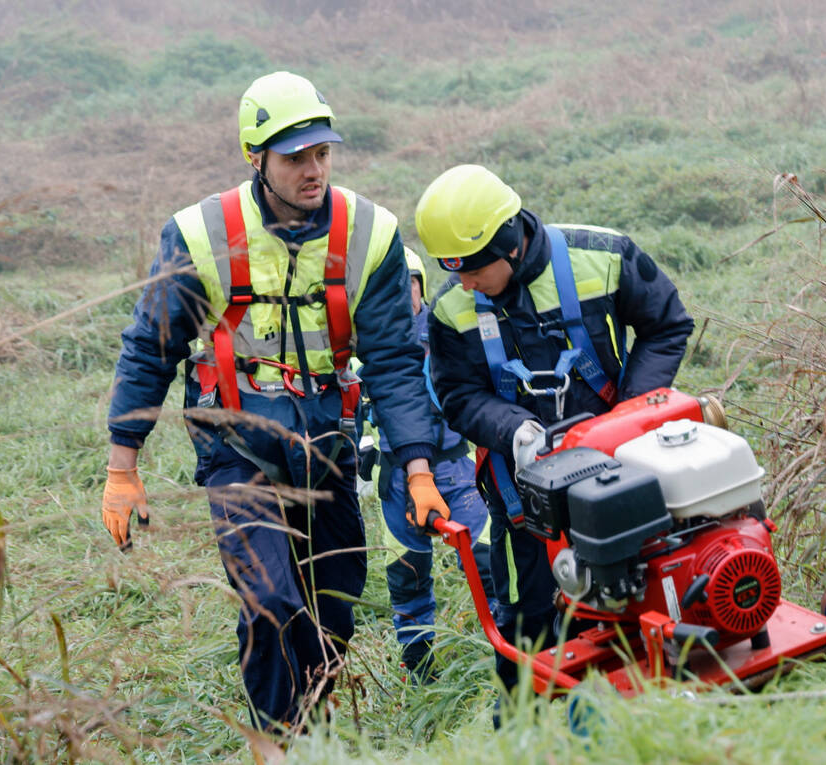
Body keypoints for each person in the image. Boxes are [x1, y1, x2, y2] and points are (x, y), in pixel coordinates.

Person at [99, 71, 449, 732]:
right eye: (295, 158)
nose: (313, 170)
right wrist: (123, 468)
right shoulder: (201, 234)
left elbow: (395, 364)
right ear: (255, 158)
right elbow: (151, 347)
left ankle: (313, 727)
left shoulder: (369, 234)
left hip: (327, 446)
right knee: (270, 600)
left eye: (323, 153)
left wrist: (419, 467)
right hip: (236, 448)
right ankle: (273, 740)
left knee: (335, 601)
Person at [415, 164, 694, 699]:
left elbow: (668, 324)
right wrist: (514, 429)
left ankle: (647, 709)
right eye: (453, 270)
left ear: (510, 242)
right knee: (529, 626)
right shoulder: (453, 310)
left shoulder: (605, 256)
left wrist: (632, 415)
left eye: (473, 269)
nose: (464, 283)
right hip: (525, 501)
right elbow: (456, 395)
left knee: (637, 591)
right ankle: (530, 730)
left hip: (624, 473)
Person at [362, 248, 493, 682]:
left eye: (411, 285)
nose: (403, 296)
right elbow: (355, 403)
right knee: (407, 574)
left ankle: (507, 649)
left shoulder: (445, 332)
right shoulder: (368, 346)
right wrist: (359, 443)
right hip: (396, 477)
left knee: (487, 557)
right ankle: (419, 668)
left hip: (455, 468)